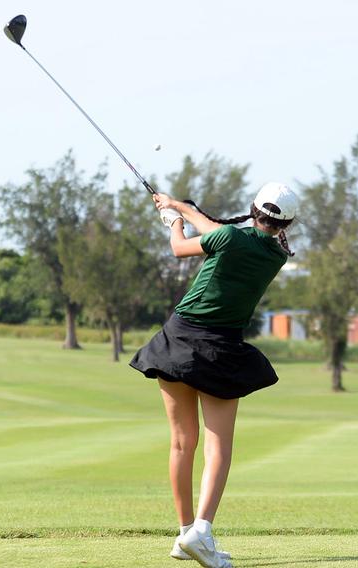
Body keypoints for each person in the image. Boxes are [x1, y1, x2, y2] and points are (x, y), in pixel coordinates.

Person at [129, 182, 299, 568]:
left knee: (181, 443)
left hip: (178, 337)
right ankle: (199, 533)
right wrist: (179, 210)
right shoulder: (276, 255)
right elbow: (214, 230)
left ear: (253, 209)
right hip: (220, 348)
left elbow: (181, 246)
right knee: (217, 445)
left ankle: (186, 532)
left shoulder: (229, 238)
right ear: (287, 223)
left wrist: (173, 216)